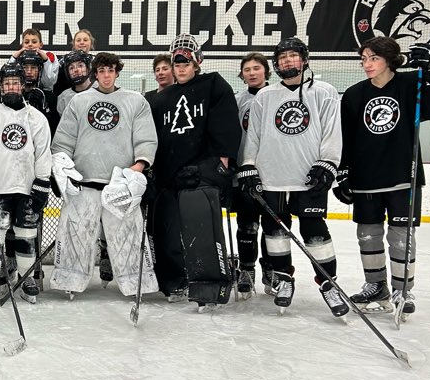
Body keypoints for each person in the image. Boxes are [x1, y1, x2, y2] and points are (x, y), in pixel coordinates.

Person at [336, 36, 430, 315]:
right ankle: (376, 285)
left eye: (373, 58)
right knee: (368, 235)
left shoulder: (412, 83)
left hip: (402, 175)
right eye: (363, 58)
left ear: (389, 59)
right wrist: (343, 172)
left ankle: (403, 290)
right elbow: (347, 138)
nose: (367, 64)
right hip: (365, 178)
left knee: (401, 236)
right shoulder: (353, 95)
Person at [238, 38, 347, 317]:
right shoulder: (265, 96)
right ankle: (284, 278)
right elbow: (254, 136)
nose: (287, 61)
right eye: (282, 57)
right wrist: (249, 165)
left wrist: (329, 162)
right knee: (275, 230)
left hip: (308, 175)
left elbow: (333, 132)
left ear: (305, 59)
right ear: (276, 64)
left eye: (293, 56)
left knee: (315, 231)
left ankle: (328, 283)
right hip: (271, 175)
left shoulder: (324, 92)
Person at [51, 52, 158, 300]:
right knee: (75, 234)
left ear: (117, 72)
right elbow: (64, 140)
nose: (106, 75)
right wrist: (63, 166)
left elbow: (146, 139)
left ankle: (135, 282)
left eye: (111, 70)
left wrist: (137, 169)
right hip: (84, 184)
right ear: (95, 73)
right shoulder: (78, 102)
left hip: (120, 185)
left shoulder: (135, 101)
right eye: (101, 71)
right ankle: (70, 278)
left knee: (128, 238)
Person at [149, 34, 240, 311]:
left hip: (203, 172)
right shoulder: (163, 98)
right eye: (176, 63)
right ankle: (174, 280)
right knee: (165, 227)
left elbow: (226, 128)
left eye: (186, 62)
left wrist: (215, 168)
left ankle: (209, 284)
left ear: (197, 62)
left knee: (200, 224)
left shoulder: (214, 85)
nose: (181, 68)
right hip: (170, 176)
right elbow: (154, 138)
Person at [0, 63, 52, 303]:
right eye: (7, 83)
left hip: (27, 187)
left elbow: (43, 152)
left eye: (15, 83)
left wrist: (42, 181)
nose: (11, 87)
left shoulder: (36, 117)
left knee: (26, 235)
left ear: (23, 85)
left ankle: (26, 277)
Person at [232, 53, 272, 299]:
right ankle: (246, 270)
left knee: (273, 226)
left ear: (266, 71)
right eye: (247, 69)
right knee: (246, 226)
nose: (252, 73)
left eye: (257, 68)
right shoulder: (237, 100)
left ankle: (273, 269)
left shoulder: (276, 96)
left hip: (272, 175)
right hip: (244, 175)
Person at [55, 49, 94, 117]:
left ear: (88, 68)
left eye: (80, 66)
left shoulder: (100, 90)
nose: (76, 70)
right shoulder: (63, 97)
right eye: (71, 68)